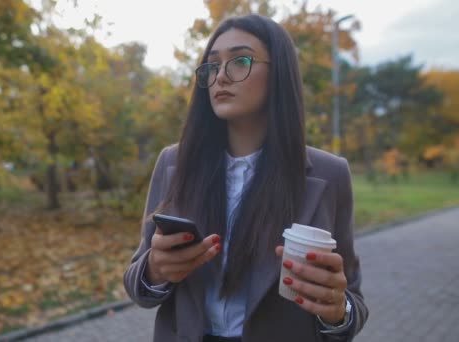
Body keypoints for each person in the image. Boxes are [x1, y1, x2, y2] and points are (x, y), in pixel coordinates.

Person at [124, 14, 368, 342]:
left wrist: (338, 310)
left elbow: (351, 302)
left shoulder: (330, 174)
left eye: (240, 61)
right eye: (212, 65)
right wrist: (155, 270)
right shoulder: (174, 163)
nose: (221, 76)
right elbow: (138, 284)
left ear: (279, 73)